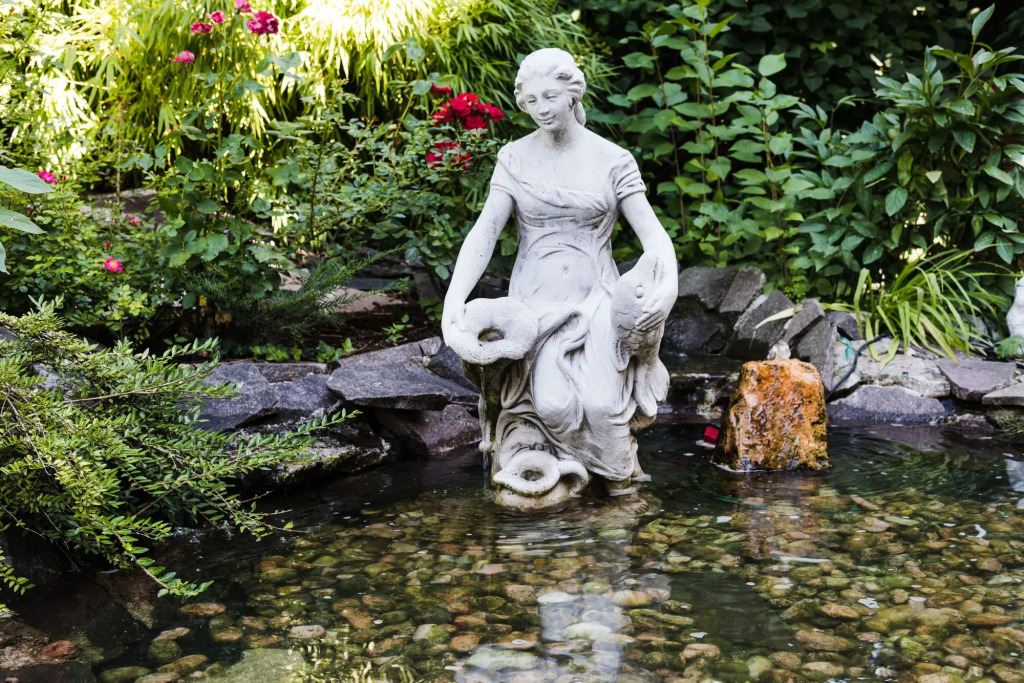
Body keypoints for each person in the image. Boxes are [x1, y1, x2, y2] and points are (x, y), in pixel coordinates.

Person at [442, 48, 677, 504]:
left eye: (550, 96)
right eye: (531, 100)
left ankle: (620, 494)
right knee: (553, 405)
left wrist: (665, 288)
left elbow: (655, 239)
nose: (542, 108)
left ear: (573, 93)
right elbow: (484, 232)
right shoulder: (514, 158)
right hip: (534, 306)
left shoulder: (612, 159)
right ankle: (554, 475)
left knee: (603, 405)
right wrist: (455, 299)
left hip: (596, 301)